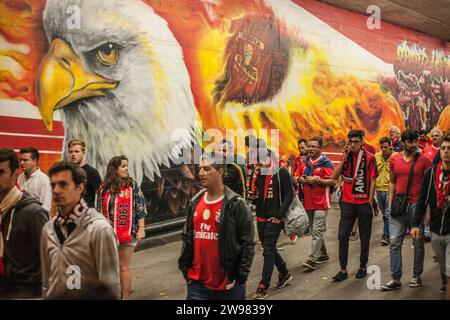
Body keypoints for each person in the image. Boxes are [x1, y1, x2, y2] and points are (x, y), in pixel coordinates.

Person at [178, 152, 255, 300]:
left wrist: (240, 278)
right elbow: (187, 237)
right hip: (197, 285)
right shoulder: (195, 202)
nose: (201, 173)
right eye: (200, 168)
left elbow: (248, 244)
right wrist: (186, 270)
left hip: (228, 286)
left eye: (207, 169)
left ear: (220, 171)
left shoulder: (236, 205)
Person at [40, 161, 120, 299]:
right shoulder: (48, 229)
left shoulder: (99, 229)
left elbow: (111, 287)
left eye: (63, 184)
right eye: (53, 185)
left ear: (80, 188)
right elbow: (47, 282)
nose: (56, 190)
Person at [381, 129, 432, 291]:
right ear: (403, 143)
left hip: (417, 207)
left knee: (417, 243)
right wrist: (390, 202)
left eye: (416, 141)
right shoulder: (395, 159)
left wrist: (428, 210)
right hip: (398, 206)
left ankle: (417, 276)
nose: (414, 145)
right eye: (410, 142)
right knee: (395, 243)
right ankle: (395, 278)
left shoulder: (424, 160)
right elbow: (392, 182)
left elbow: (430, 187)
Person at [0, 148, 48, 299]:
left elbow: (50, 260)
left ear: (14, 175)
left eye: (1, 172)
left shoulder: (33, 213)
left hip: (25, 292)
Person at [97, 155, 147, 300]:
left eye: (127, 166)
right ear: (114, 169)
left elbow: (140, 207)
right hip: (109, 233)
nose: (126, 169)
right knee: (111, 267)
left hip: (127, 231)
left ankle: (124, 297)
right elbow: (99, 208)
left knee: (123, 266)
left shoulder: (132, 185)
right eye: (123, 166)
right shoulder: (103, 187)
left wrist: (141, 228)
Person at [331, 130, 377, 282]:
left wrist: (369, 202)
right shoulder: (346, 156)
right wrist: (343, 159)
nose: (354, 145)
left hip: (363, 203)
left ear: (362, 141)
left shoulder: (370, 158)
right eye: (351, 142)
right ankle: (343, 269)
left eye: (357, 142)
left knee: (364, 237)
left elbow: (373, 181)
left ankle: (362, 266)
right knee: (343, 235)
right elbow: (334, 177)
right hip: (347, 203)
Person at [251, 147, 294, 299]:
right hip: (261, 217)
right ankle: (284, 273)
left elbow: (290, 194)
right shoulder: (257, 174)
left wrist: (279, 214)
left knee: (267, 251)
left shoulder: (281, 172)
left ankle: (263, 286)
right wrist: (253, 197)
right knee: (269, 249)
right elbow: (258, 197)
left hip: (275, 218)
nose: (260, 162)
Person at [411, 136, 450, 298]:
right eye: (443, 148)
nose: (446, 152)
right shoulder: (431, 173)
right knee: (443, 266)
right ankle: (444, 281)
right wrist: (415, 224)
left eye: (449, 149)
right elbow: (422, 200)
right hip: (435, 228)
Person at [296, 137, 335, 271]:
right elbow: (296, 176)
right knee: (314, 230)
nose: (310, 149)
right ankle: (323, 255)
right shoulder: (304, 162)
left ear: (320, 148)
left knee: (317, 231)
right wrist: (301, 179)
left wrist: (317, 180)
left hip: (322, 202)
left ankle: (312, 259)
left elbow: (332, 181)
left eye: (313, 146)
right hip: (308, 202)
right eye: (309, 146)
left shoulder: (326, 162)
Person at [421, 129, 443, 243]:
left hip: (443, 185)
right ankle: (427, 232)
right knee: (429, 208)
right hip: (430, 184)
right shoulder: (425, 150)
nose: (434, 137)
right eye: (432, 136)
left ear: (441, 138)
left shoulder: (444, 150)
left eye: (436, 136)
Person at [68, 139, 102, 208]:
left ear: (83, 153)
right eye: (71, 152)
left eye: (77, 152)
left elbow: (102, 195)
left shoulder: (92, 172)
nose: (73, 154)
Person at [17, 147, 52, 213]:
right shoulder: (20, 178)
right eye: (20, 160)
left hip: (37, 220)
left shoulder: (44, 180)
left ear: (34, 161)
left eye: (25, 160)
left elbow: (46, 208)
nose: (21, 163)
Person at [375, 137, 394, 246]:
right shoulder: (376, 156)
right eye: (381, 147)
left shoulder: (395, 157)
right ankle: (392, 231)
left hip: (390, 190)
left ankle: (386, 235)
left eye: (385, 147)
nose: (383, 149)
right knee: (384, 214)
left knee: (387, 214)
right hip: (378, 189)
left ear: (390, 146)